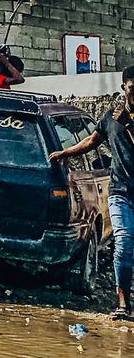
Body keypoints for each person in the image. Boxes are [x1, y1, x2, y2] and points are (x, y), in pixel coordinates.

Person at [50, 65, 134, 319]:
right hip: (121, 192)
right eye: (133, 90)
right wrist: (66, 153)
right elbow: (92, 141)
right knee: (124, 242)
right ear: (124, 89)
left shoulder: (122, 121)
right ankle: (122, 304)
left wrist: (129, 126)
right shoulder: (111, 118)